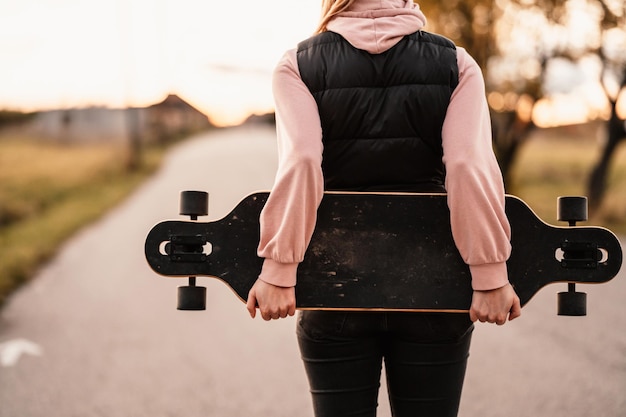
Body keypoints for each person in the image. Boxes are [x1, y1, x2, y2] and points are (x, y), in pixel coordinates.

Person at [246, 0, 522, 416]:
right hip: (433, 295)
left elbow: (302, 160)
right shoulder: (456, 63)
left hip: (335, 296)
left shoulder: (296, 65)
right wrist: (489, 276)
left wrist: (280, 271)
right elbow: (466, 165)